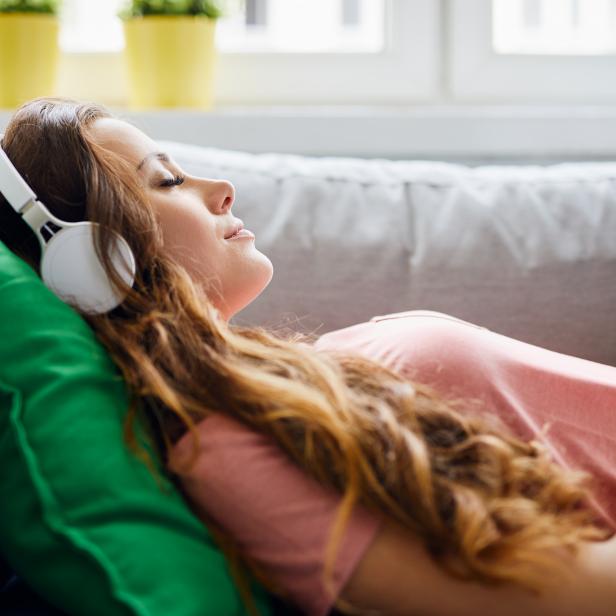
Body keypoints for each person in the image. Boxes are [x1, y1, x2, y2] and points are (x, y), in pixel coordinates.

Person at [1, 97, 615, 616]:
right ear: (85, 257)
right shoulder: (236, 454)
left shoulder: (277, 390)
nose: (221, 189)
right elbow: (564, 591)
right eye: (167, 179)